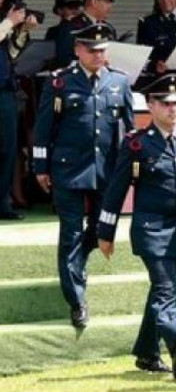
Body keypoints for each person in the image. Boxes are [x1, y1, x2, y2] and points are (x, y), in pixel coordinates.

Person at [96, 74, 176, 380]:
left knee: (163, 290)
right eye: (166, 103)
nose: (173, 109)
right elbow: (116, 190)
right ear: (150, 105)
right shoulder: (136, 144)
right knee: (166, 288)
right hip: (151, 230)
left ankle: (146, 352)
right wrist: (105, 232)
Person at [33, 23, 135, 328]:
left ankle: (78, 262)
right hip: (69, 169)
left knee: (103, 228)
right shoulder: (60, 83)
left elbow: (129, 131)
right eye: (92, 49)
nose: (98, 55)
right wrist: (41, 167)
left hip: (107, 169)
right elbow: (43, 127)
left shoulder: (119, 82)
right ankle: (76, 299)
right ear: (78, 50)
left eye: (102, 50)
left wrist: (131, 167)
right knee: (71, 234)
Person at [0, 0, 37, 220]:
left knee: (7, 149)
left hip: (4, 89)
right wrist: (8, 22)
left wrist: (21, 30)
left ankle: (2, 204)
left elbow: (11, 53)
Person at [54, 0, 116, 69]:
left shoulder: (109, 29)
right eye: (107, 2)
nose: (110, 6)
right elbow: (64, 60)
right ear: (94, 2)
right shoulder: (71, 27)